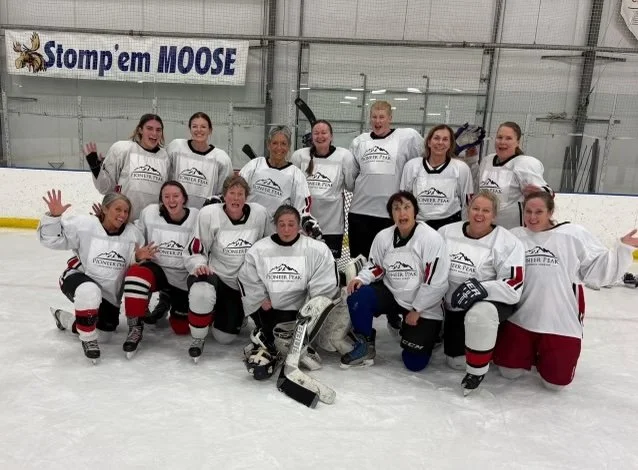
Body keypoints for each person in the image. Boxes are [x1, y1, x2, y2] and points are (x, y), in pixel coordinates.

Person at [493, 191, 638, 390]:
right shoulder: (516, 235)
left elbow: (597, 271)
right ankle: (530, 351)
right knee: (508, 372)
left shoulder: (573, 234)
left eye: (539, 212)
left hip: (560, 322)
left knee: (555, 384)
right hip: (521, 319)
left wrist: (622, 248)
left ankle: (544, 354)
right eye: (528, 211)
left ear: (550, 211)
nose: (532, 217)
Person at [340, 191, 449, 372]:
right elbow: (376, 267)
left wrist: (417, 309)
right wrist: (361, 278)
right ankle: (365, 344)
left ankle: (434, 331)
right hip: (393, 293)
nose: (402, 213)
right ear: (391, 214)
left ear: (415, 211)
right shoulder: (383, 236)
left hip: (423, 305)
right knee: (359, 295)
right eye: (396, 209)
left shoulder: (431, 238)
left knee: (414, 363)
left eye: (407, 207)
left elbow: (435, 281)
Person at [39, 190, 149, 363]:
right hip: (78, 280)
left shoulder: (133, 234)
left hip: (109, 296)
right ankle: (88, 340)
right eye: (117, 209)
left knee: (105, 335)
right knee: (89, 292)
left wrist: (138, 258)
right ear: (105, 209)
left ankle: (64, 318)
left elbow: (130, 264)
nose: (122, 215)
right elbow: (51, 240)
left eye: (126, 211)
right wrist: (54, 218)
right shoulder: (85, 225)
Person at [238, 205, 340, 380]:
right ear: (275, 226)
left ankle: (273, 343)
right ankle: (270, 342)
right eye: (281, 224)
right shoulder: (260, 249)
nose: (286, 229)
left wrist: (310, 306)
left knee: (287, 339)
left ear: (299, 225)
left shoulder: (315, 249)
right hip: (268, 310)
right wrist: (260, 298)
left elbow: (325, 280)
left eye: (291, 224)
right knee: (278, 336)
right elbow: (247, 276)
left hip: (299, 314)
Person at [438, 190, 525, 395]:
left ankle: (476, 371)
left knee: (480, 314)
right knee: (455, 361)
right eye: (476, 208)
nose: (480, 214)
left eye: (486, 210)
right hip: (454, 307)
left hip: (488, 304)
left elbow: (514, 288)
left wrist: (481, 288)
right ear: (468, 210)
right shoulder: (445, 232)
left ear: (494, 215)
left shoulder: (508, 242)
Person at [183, 175, 269, 362]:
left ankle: (228, 313)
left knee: (224, 338)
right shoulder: (209, 214)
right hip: (217, 276)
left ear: (247, 197)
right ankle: (198, 337)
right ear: (224, 195)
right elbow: (196, 248)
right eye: (232, 193)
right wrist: (199, 265)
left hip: (242, 284)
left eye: (240, 194)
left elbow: (269, 245)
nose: (236, 198)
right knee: (202, 291)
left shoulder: (259, 214)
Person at [119, 181, 199, 358]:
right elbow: (133, 233)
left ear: (184, 198)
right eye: (166, 196)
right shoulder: (150, 213)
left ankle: (167, 297)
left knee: (181, 328)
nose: (171, 200)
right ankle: (135, 327)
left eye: (176, 196)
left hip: (182, 276)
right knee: (136, 275)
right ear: (161, 200)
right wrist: (106, 222)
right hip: (157, 270)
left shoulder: (197, 216)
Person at [348, 101, 424, 258]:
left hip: (391, 214)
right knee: (359, 260)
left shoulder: (407, 137)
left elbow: (423, 162)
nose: (378, 121)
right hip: (360, 212)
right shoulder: (360, 141)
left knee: (388, 260)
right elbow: (351, 176)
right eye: (374, 117)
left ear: (390, 118)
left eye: (382, 117)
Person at [84, 113, 170, 220]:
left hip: (151, 222)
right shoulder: (122, 149)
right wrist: (95, 167)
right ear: (140, 130)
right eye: (149, 128)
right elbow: (105, 188)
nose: (154, 133)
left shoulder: (165, 157)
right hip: (122, 220)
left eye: (158, 130)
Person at [290, 119, 356, 258]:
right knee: (305, 261)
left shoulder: (344, 156)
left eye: (324, 133)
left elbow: (350, 185)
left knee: (330, 263)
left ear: (331, 136)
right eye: (316, 133)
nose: (320, 136)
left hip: (333, 225)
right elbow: (293, 187)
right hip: (305, 223)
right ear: (312, 136)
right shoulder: (300, 156)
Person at [239, 126, 319, 237]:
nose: (279, 148)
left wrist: (307, 223)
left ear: (289, 147)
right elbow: (236, 190)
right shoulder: (255, 165)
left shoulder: (296, 175)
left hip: (276, 236)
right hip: (247, 230)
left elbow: (302, 208)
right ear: (268, 145)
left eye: (283, 144)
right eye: (275, 143)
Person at [478, 121, 553, 229]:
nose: (502, 142)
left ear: (518, 142)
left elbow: (547, 194)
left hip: (512, 230)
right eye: (499, 137)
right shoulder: (487, 161)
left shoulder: (524, 164)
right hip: (486, 228)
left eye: (508, 138)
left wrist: (539, 193)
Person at [401, 124, 473, 230]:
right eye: (436, 138)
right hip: (419, 225)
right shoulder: (412, 166)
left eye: (445, 139)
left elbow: (467, 202)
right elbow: (404, 199)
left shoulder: (461, 168)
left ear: (450, 144)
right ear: (429, 142)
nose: (440, 142)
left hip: (450, 225)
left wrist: (464, 228)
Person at [167, 112, 233, 209]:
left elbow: (224, 191)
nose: (199, 130)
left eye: (203, 127)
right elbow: (166, 176)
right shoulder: (176, 147)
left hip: (205, 215)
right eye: (194, 126)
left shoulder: (221, 158)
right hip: (176, 213)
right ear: (189, 129)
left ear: (210, 130)